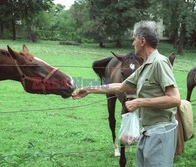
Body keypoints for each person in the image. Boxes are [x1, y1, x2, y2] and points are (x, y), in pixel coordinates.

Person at [72, 21, 181, 167]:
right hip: (147, 130)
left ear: (142, 41)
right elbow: (121, 86)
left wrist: (139, 102)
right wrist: (89, 89)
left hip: (160, 132)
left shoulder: (159, 63)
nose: (132, 43)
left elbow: (174, 99)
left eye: (134, 39)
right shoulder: (145, 66)